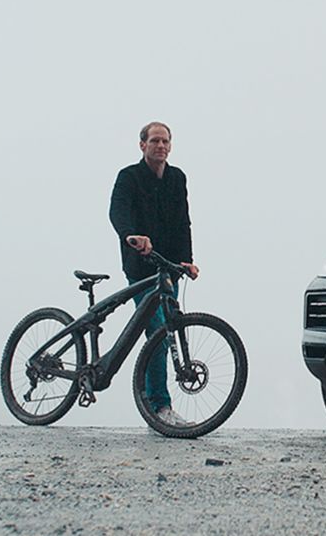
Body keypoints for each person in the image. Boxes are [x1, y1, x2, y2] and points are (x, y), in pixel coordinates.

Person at [109, 121, 200, 428]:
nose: (160, 146)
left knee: (168, 328)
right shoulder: (129, 177)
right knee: (158, 332)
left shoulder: (177, 178)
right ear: (142, 145)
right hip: (140, 267)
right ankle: (159, 407)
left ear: (170, 146)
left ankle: (157, 406)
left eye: (165, 141)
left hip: (167, 267)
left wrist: (186, 261)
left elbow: (182, 222)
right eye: (154, 141)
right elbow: (117, 210)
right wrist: (131, 235)